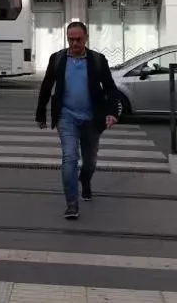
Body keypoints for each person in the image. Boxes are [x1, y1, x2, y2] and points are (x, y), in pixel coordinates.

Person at [35, 21, 120, 220]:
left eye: (78, 39)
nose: (74, 44)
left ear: (86, 38)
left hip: (92, 118)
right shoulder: (57, 59)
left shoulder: (98, 60)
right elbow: (47, 86)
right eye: (70, 39)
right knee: (70, 157)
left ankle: (85, 180)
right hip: (67, 117)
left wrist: (112, 112)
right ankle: (71, 204)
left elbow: (110, 88)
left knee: (89, 162)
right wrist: (40, 113)